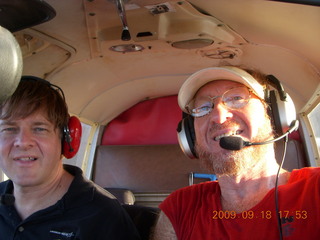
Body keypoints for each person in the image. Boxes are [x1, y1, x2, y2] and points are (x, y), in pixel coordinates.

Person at [152, 66, 320, 239]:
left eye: (236, 98)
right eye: (203, 107)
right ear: (191, 135)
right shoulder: (180, 207)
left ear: (273, 115)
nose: (218, 116)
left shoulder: (315, 189)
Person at [0, 76, 141, 240]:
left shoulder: (102, 216)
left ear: (66, 139)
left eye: (39, 129)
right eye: (9, 129)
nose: (23, 142)